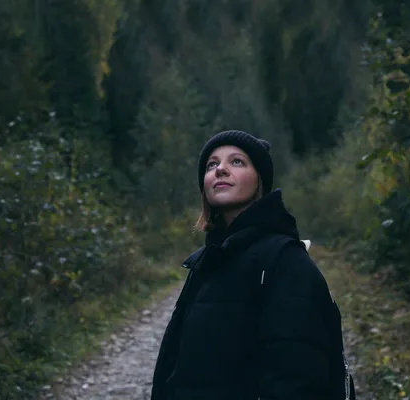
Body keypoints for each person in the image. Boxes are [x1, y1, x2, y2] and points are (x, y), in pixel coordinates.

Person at [151, 130, 355, 400]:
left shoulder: (285, 260)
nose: (220, 169)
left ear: (260, 179)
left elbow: (298, 377)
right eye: (212, 164)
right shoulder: (205, 261)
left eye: (237, 162)